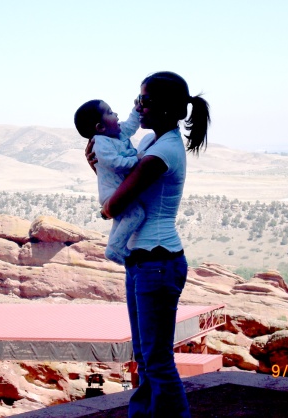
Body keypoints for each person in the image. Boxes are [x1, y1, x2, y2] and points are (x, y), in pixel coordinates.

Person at [89, 71, 210, 417]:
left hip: (157, 262)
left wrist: (105, 206)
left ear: (165, 108)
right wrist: (98, 169)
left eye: (144, 101)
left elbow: (116, 205)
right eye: (138, 100)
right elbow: (117, 191)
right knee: (144, 357)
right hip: (143, 261)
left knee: (156, 361)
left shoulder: (162, 153)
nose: (138, 108)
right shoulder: (149, 145)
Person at [74, 99, 145, 264]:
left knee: (120, 220)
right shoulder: (101, 143)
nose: (116, 114)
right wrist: (136, 159)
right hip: (112, 192)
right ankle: (118, 248)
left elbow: (131, 125)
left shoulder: (118, 134)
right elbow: (115, 163)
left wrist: (136, 110)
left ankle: (113, 247)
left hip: (117, 189)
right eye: (110, 112)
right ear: (100, 127)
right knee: (137, 213)